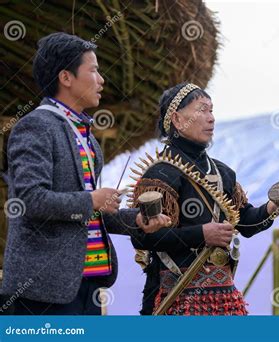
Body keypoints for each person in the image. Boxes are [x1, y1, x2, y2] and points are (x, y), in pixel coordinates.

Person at [2, 32, 166, 315]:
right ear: (66, 78)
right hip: (46, 290)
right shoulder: (36, 127)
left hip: (88, 282)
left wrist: (136, 220)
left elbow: (87, 211)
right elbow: (29, 200)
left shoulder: (86, 137)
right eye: (93, 70)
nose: (101, 80)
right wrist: (92, 199)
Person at [128, 83, 279, 315]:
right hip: (173, 297)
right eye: (202, 110)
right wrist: (202, 234)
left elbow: (245, 222)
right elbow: (144, 237)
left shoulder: (223, 173)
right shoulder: (160, 174)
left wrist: (273, 208)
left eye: (212, 110)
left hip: (223, 298)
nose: (211, 118)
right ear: (178, 120)